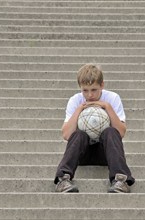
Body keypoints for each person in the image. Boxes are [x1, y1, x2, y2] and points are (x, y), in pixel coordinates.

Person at [54, 64, 135, 193]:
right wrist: (79, 109)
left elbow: (121, 132)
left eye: (94, 89)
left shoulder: (112, 98)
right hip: (82, 153)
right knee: (79, 134)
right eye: (85, 90)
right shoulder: (75, 100)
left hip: (107, 154)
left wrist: (107, 107)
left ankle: (120, 180)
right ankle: (63, 179)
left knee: (110, 131)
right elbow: (66, 134)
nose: (90, 95)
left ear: (102, 85)